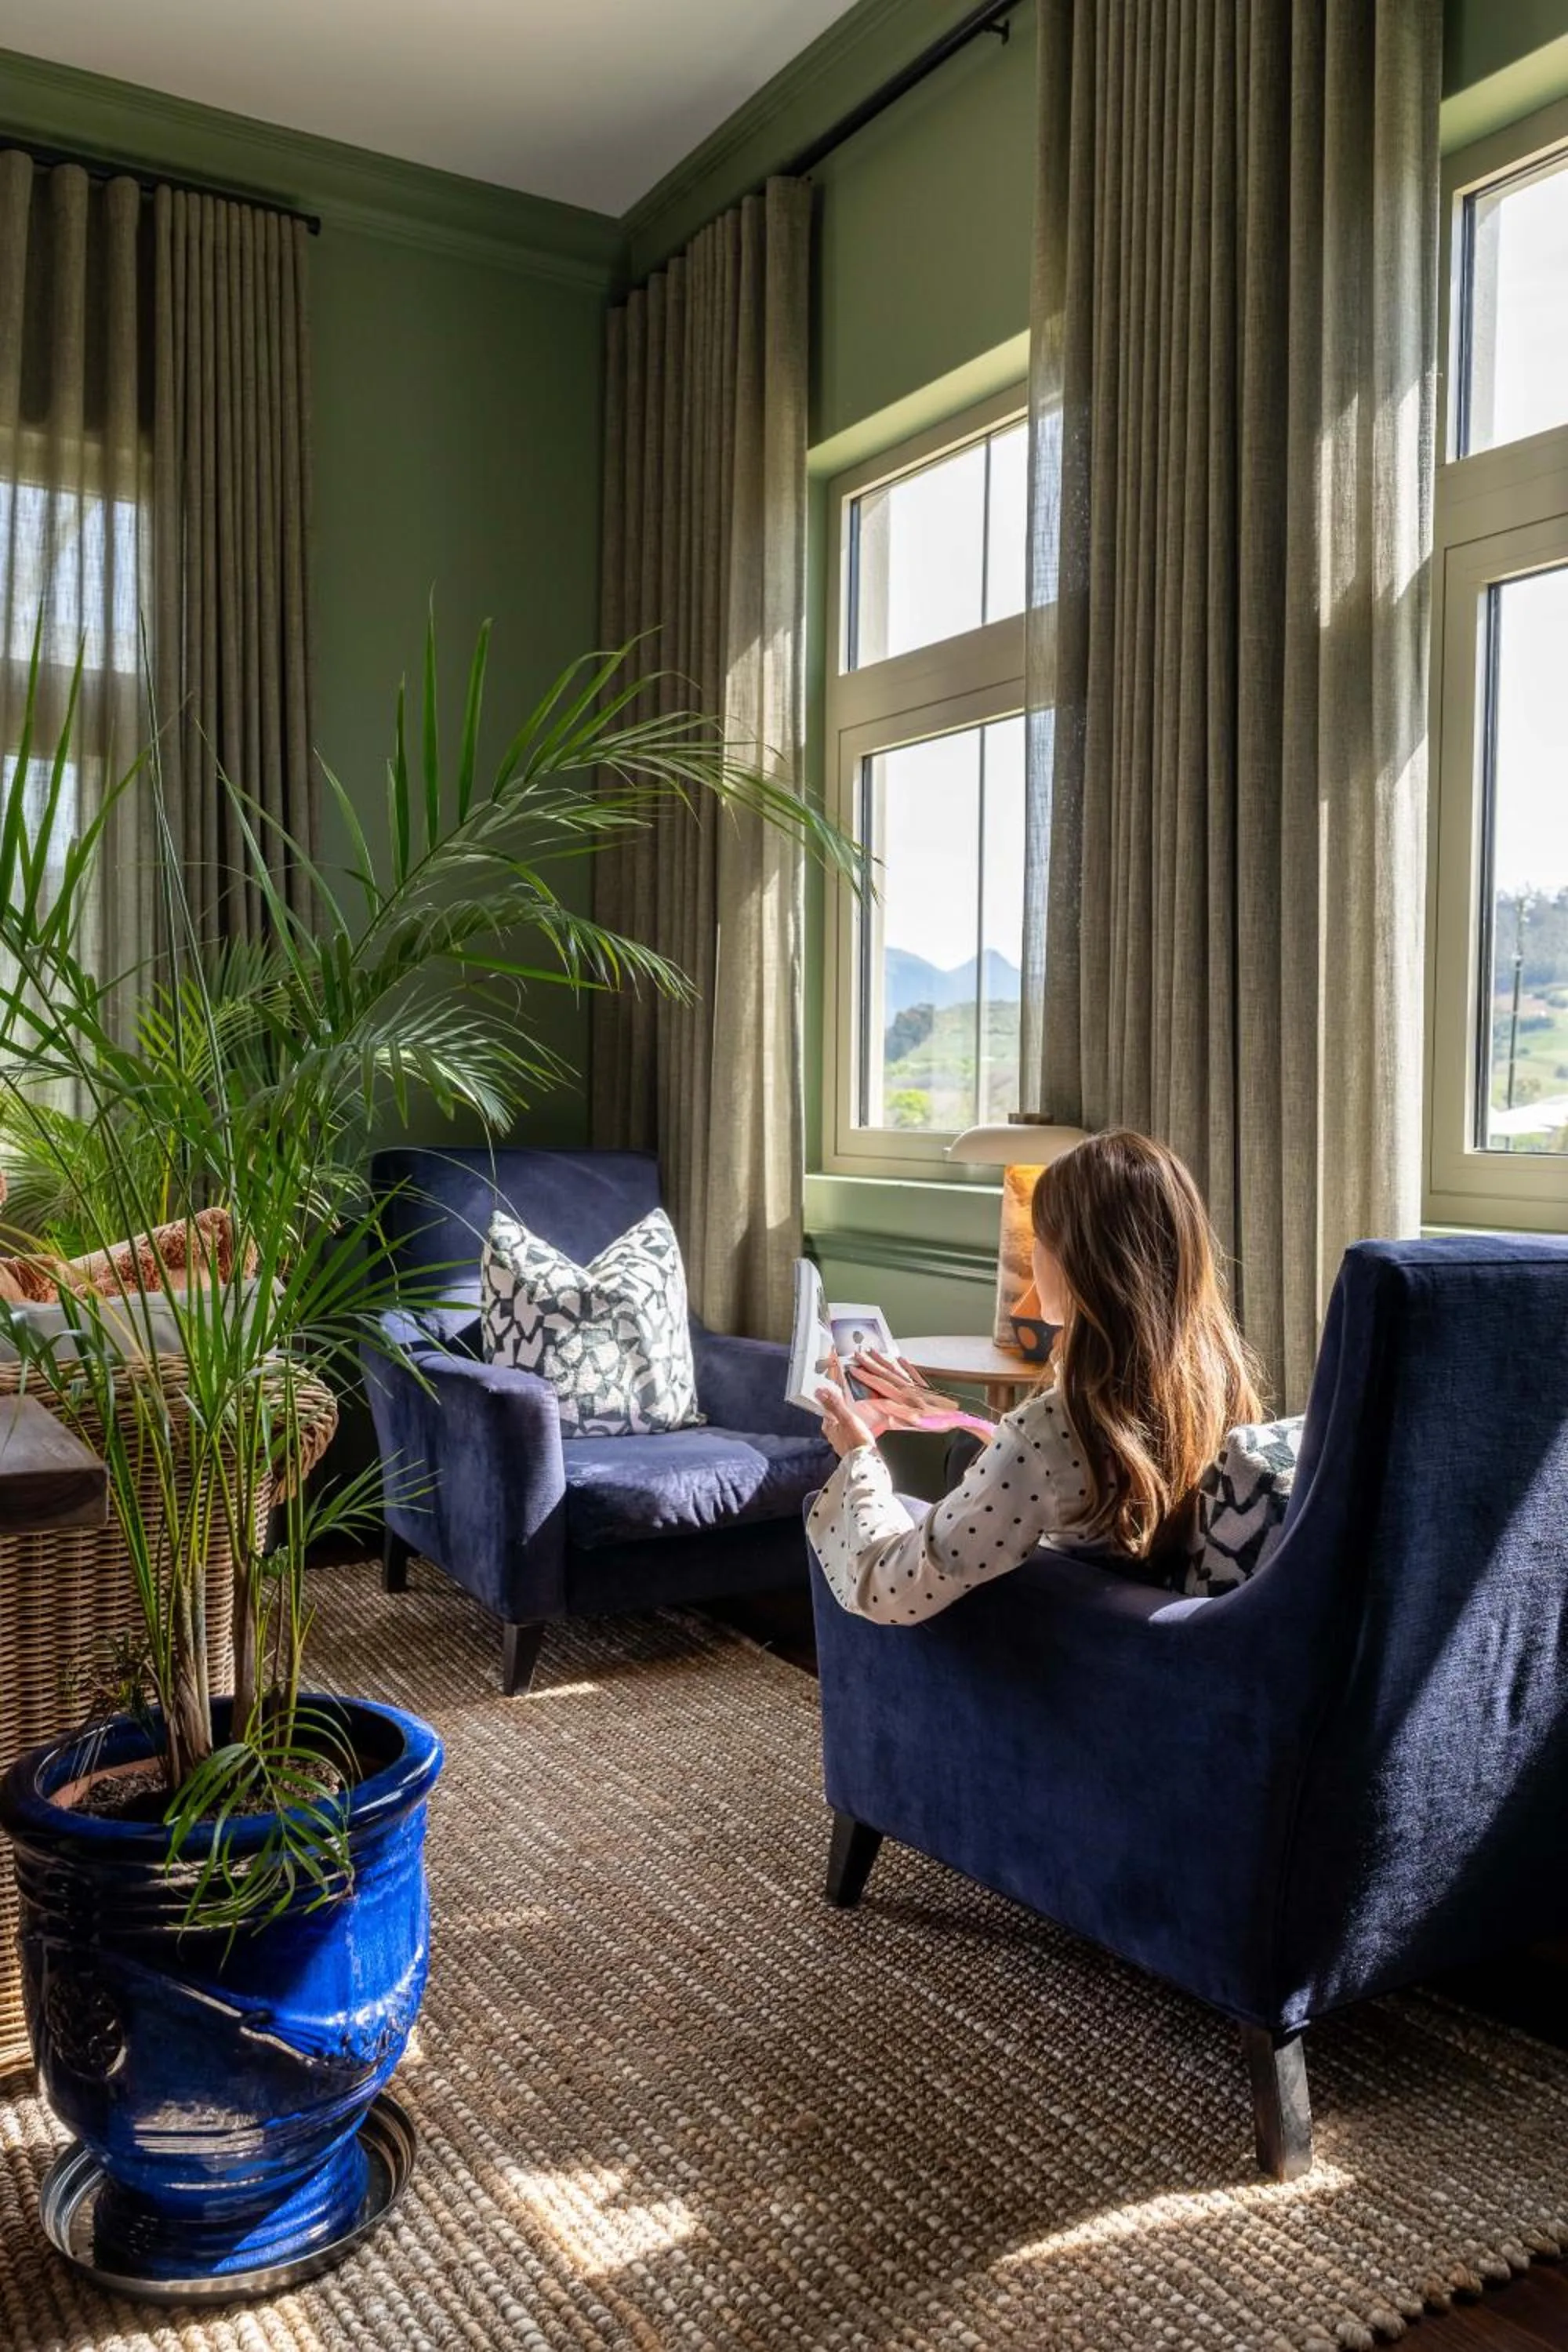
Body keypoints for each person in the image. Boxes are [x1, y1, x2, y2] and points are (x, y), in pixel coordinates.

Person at [808, 1130, 1260, 1622]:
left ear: (1079, 1264)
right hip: (1150, 1644)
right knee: (963, 1451)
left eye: (1040, 1240)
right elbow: (1060, 1463)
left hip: (1056, 1663)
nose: (1031, 1257)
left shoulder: (1046, 1433)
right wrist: (945, 1414)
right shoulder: (1218, 1382)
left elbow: (887, 1589)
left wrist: (859, 1459)